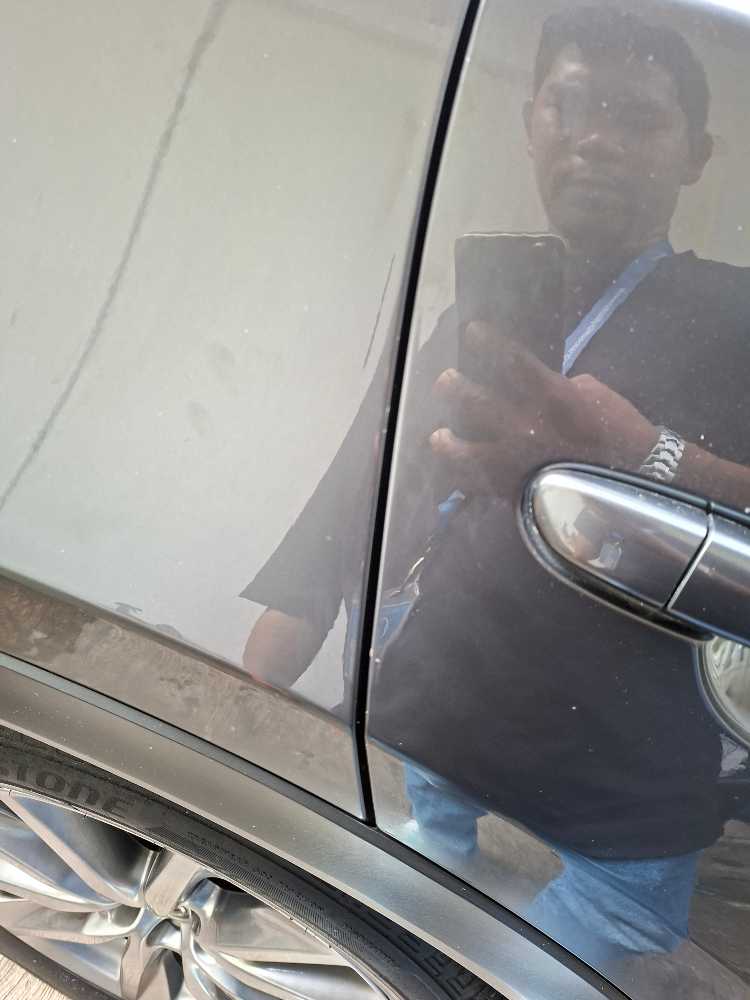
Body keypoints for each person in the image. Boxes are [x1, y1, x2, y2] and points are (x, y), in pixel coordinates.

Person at [242, 4, 750, 972]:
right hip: (430, 717)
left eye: (638, 117)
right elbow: (367, 485)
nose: (595, 139)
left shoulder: (741, 314)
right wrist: (262, 678)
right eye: (570, 107)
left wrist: (648, 455)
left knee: (583, 952)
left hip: (618, 786)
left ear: (696, 154)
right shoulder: (470, 320)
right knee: (377, 948)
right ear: (531, 126)